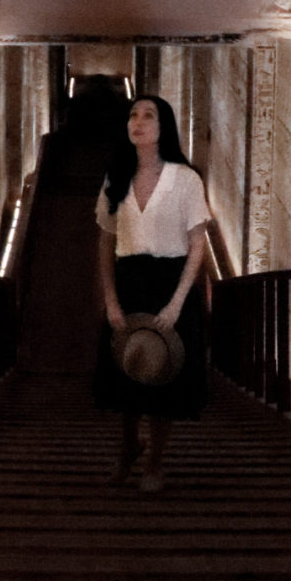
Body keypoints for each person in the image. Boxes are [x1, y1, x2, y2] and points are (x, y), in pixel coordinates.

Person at [93, 95, 210, 493]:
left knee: (165, 376)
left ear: (165, 127)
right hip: (129, 281)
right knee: (125, 371)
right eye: (132, 115)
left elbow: (198, 244)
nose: (138, 122)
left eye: (148, 115)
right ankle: (128, 447)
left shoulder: (185, 178)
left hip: (169, 281)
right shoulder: (115, 178)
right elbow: (106, 243)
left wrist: (177, 302)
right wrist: (110, 299)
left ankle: (156, 462)